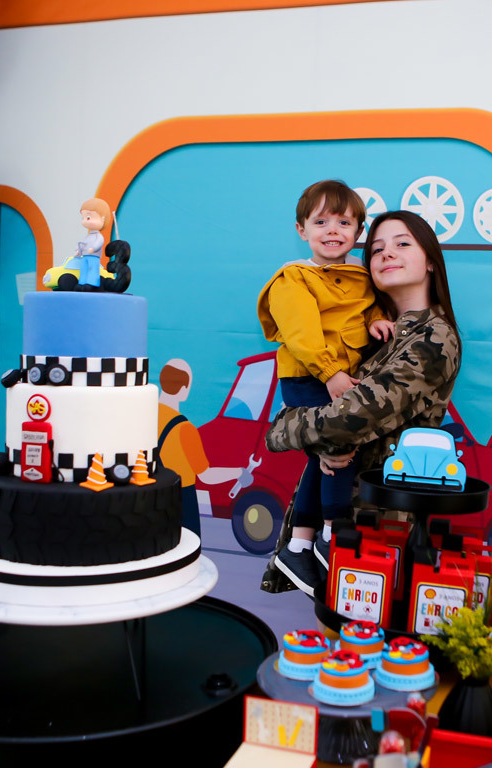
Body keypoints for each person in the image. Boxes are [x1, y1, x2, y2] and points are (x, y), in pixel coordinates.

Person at [263, 210, 461, 596]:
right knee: (333, 632)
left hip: (373, 529)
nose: (387, 253)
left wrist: (283, 426)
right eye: (377, 249)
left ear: (431, 262)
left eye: (402, 244)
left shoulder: (432, 339)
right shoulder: (371, 333)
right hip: (334, 524)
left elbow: (347, 421)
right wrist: (320, 440)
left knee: (366, 631)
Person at [257, 180, 394, 592]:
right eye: (321, 222)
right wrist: (330, 372)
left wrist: (376, 319)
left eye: (344, 222)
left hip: (341, 379)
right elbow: (302, 335)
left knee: (325, 460)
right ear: (302, 230)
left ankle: (299, 544)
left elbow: (367, 308)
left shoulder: (360, 277)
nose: (333, 230)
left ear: (358, 232)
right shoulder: (294, 278)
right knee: (339, 449)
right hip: (310, 378)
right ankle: (332, 533)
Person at [157, 358, 245, 536]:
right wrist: (239, 473)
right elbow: (206, 476)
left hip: (152, 496)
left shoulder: (146, 416)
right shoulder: (185, 429)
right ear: (184, 389)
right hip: (181, 500)